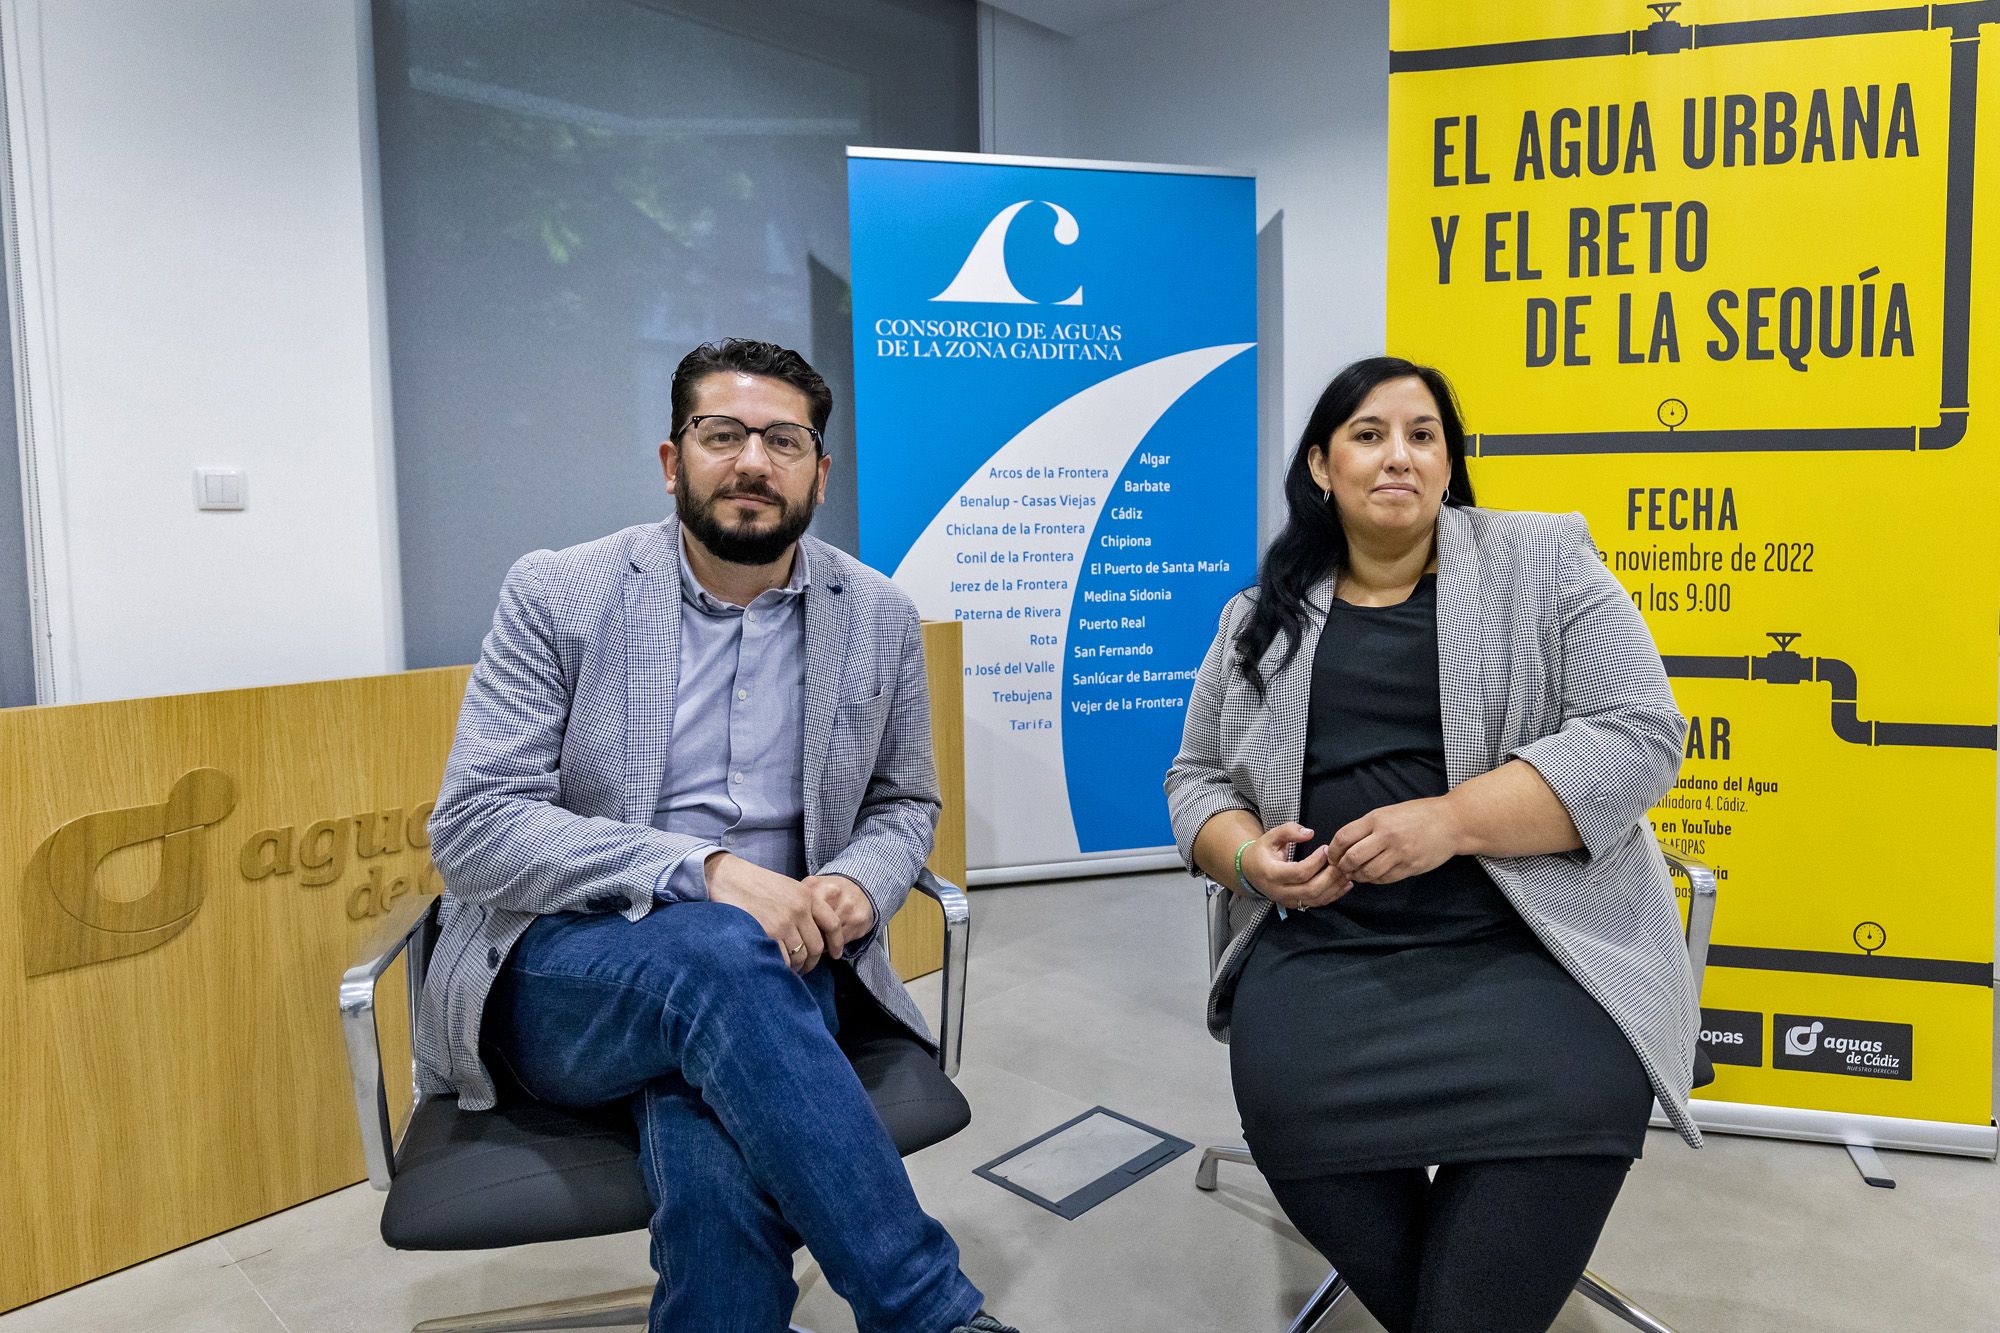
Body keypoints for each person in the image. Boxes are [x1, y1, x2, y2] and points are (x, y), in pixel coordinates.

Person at [417, 338, 1015, 1333]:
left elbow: (903, 803)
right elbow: (475, 828)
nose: (751, 461)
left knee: (715, 1180)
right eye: (722, 433)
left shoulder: (874, 614)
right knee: (719, 943)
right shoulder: (559, 591)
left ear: (818, 471)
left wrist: (856, 887)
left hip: (780, 971)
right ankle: (928, 1312)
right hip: (571, 972)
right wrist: (705, 871)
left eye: (783, 439)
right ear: (671, 459)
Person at [1164, 356, 1700, 1333]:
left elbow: (1639, 735)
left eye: (1422, 434)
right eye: (1368, 435)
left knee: (1488, 1263)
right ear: (1321, 466)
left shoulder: (1543, 566)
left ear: (1449, 463)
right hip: (1325, 959)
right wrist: (1246, 858)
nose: (1397, 456)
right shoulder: (1256, 620)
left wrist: (1447, 822)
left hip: (1535, 955)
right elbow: (1193, 778)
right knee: (1311, 1135)